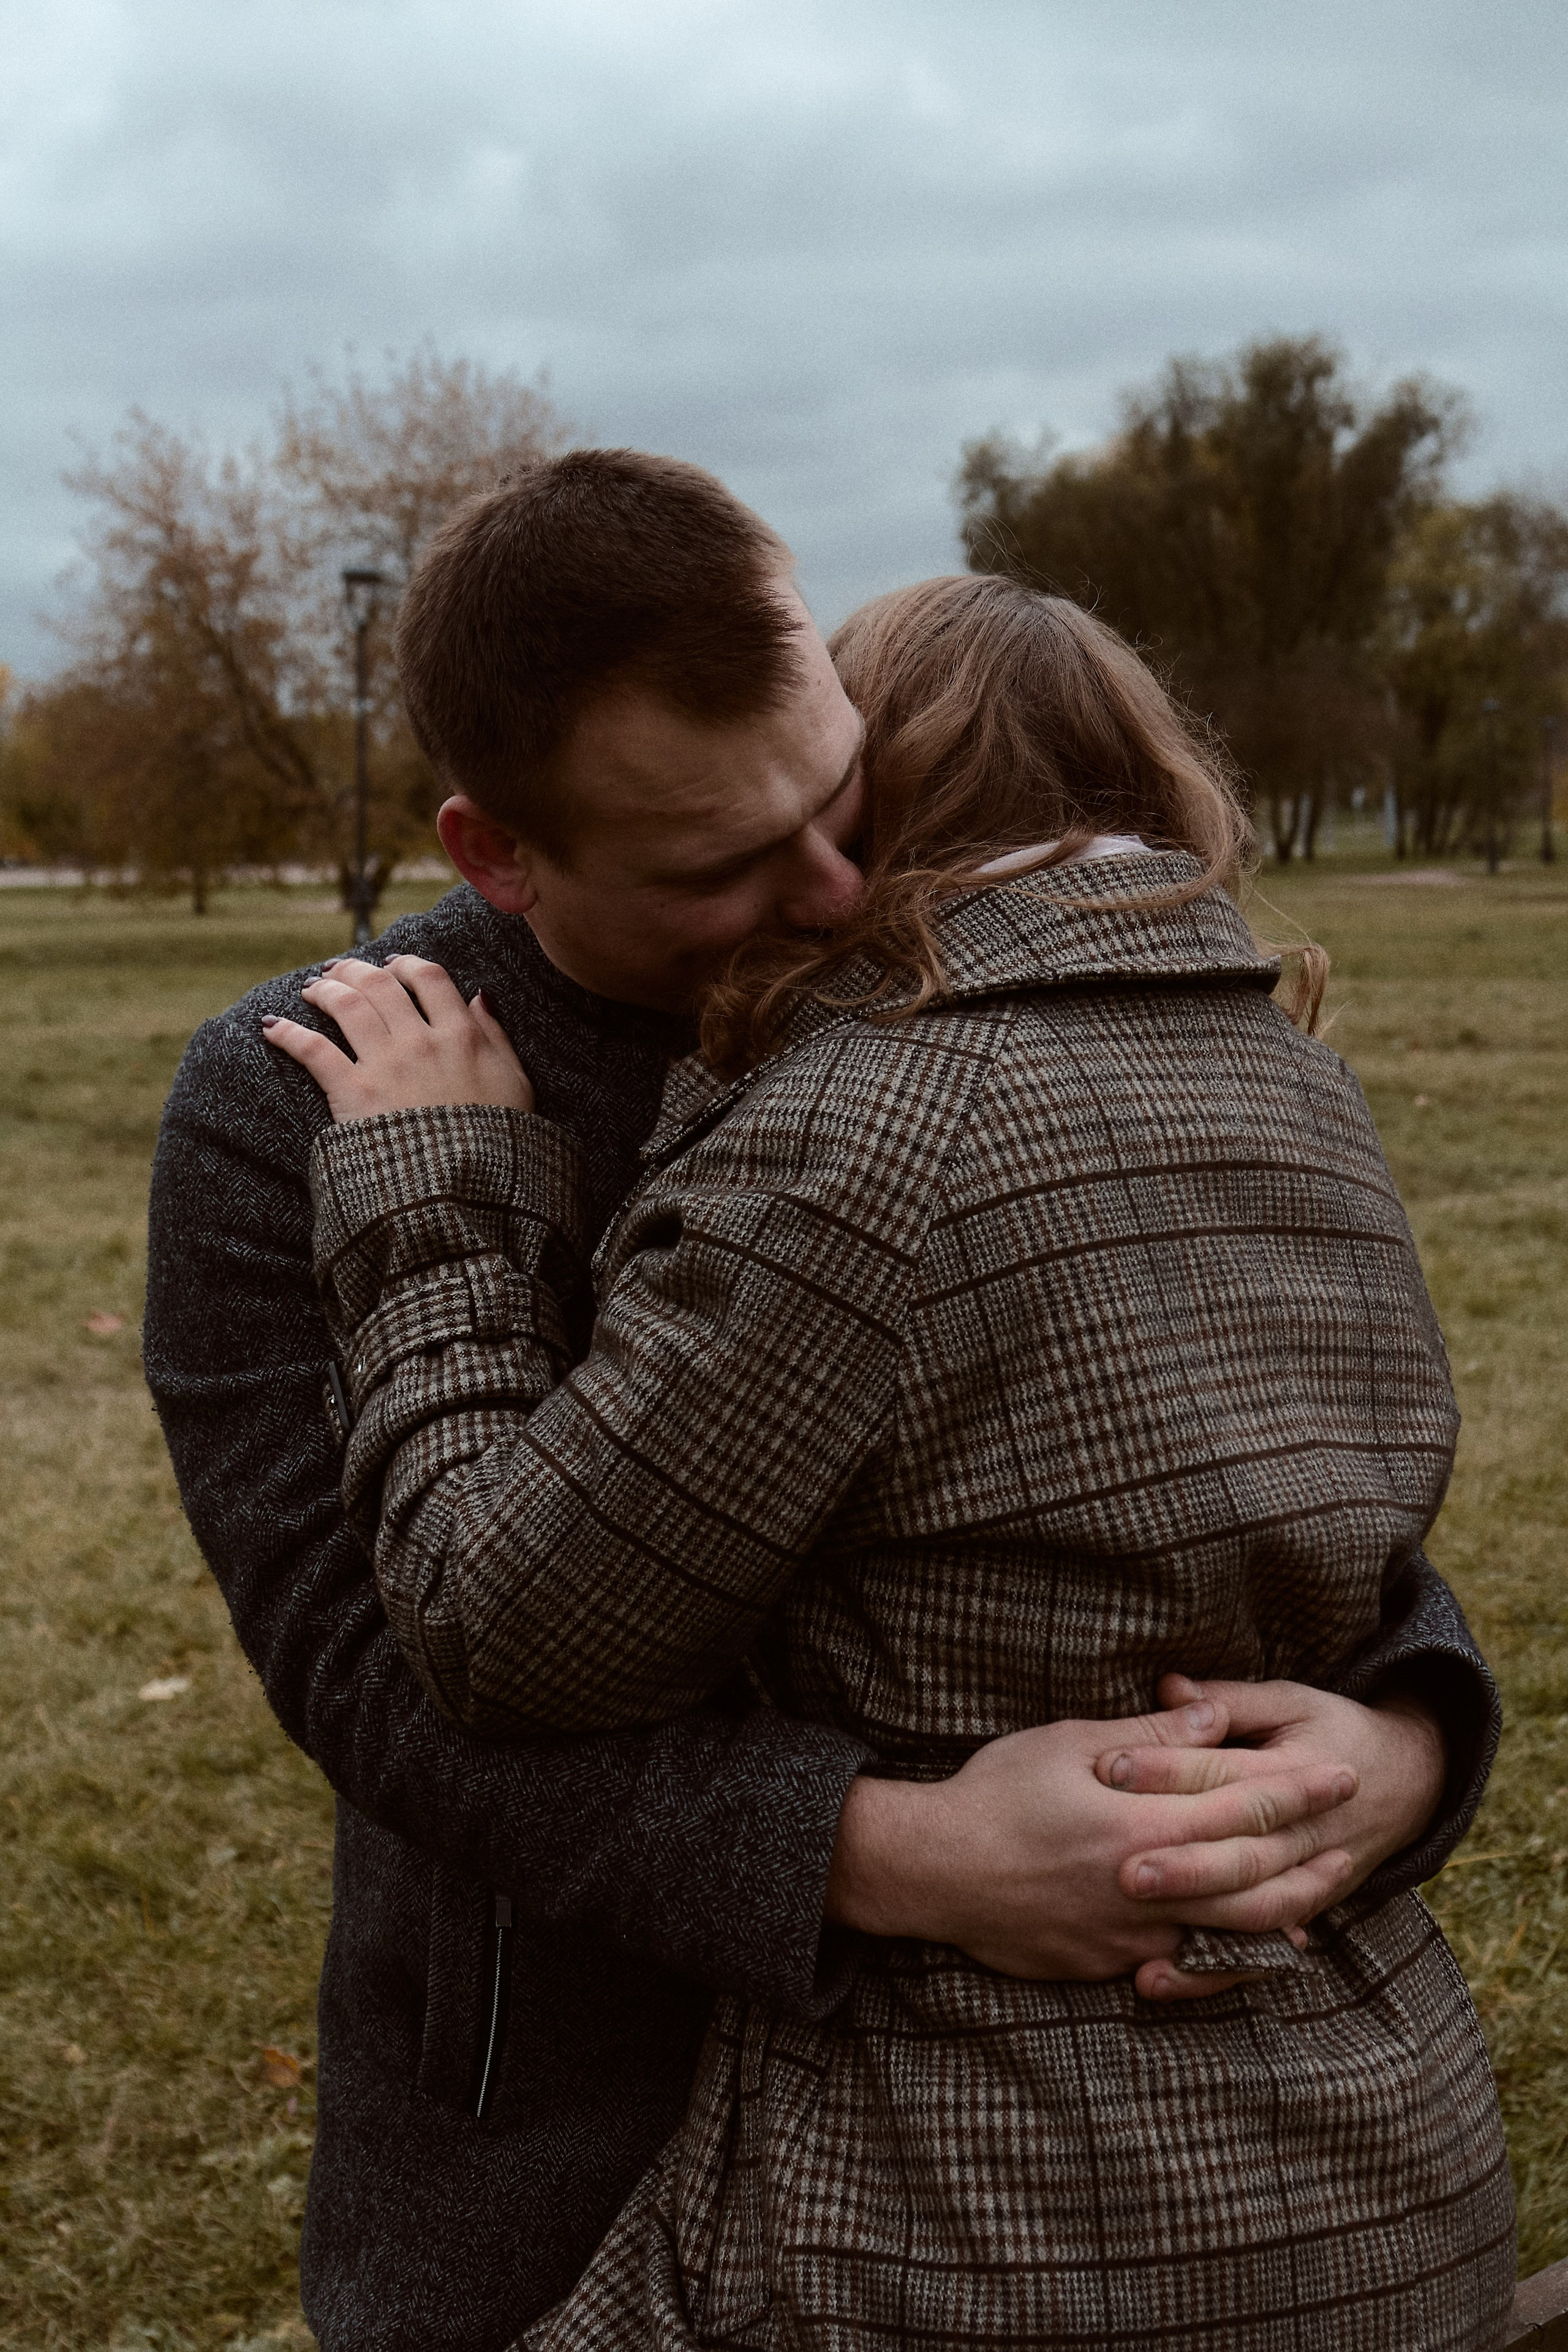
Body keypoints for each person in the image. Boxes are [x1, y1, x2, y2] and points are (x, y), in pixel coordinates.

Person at [145, 450, 1500, 2352]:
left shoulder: (972, 1039)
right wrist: (900, 1855)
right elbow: (372, 1672)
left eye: (839, 793)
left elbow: (1219, 1452)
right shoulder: (306, 1093)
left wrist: (1405, 1729)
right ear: (498, 853)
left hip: (1045, 2137)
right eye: (721, 866)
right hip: (567, 2130)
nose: (843, 889)